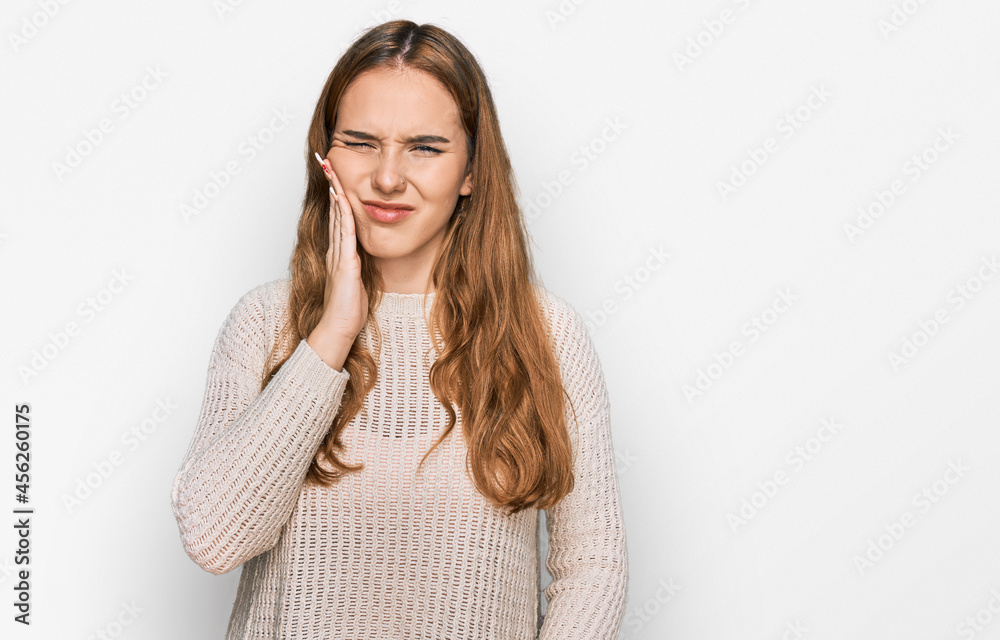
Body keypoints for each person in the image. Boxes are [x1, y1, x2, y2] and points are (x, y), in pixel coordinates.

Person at [169, 19, 627, 639]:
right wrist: (332, 333)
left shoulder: (545, 333)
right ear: (325, 157)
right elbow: (214, 539)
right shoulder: (265, 325)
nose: (387, 177)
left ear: (470, 171)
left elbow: (591, 569)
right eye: (360, 142)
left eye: (425, 147)